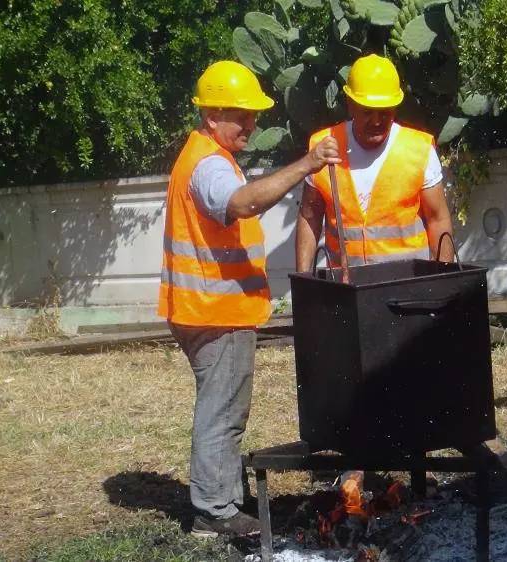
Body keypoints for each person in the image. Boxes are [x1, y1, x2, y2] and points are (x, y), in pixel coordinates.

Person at [158, 60, 340, 537]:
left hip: (204, 308)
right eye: (243, 115)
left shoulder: (201, 155)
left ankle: (218, 496)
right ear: (213, 114)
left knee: (221, 404)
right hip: (216, 312)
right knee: (223, 409)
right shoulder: (210, 164)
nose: (252, 124)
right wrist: (306, 164)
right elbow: (242, 203)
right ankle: (214, 512)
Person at [295, 54, 454, 272]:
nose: (377, 121)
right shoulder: (323, 147)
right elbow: (309, 217)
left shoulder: (419, 149)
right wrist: (304, 282)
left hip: (407, 288)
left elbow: (438, 220)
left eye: (385, 112)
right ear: (350, 105)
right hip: (347, 289)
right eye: (367, 112)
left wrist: (442, 280)